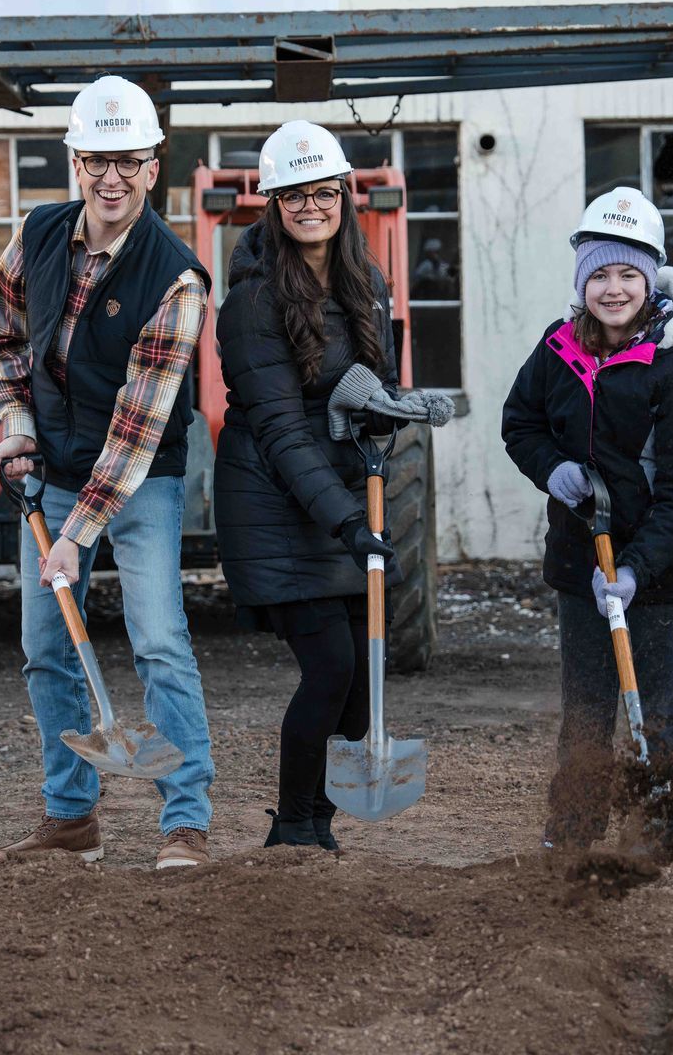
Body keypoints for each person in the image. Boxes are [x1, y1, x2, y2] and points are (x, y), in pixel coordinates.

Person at [0, 74, 217, 870]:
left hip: (140, 477)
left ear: (155, 166)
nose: (110, 178)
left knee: (157, 642)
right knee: (46, 646)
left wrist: (76, 534)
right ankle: (72, 815)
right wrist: (16, 427)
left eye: (128, 161)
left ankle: (185, 821)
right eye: (94, 161)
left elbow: (138, 424)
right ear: (74, 162)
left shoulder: (176, 277)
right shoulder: (38, 234)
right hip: (50, 467)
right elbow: (3, 338)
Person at [212, 120, 452, 850]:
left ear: (344, 194)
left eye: (324, 191)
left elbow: (367, 385)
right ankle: (295, 827)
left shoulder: (365, 281)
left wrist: (395, 409)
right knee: (332, 667)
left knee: (358, 682)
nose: (311, 205)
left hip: (344, 495)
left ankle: (317, 820)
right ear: (272, 201)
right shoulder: (252, 304)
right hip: (276, 504)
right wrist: (349, 523)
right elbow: (284, 432)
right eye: (294, 194)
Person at [501, 188, 673, 849]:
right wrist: (551, 469)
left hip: (666, 571)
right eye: (599, 273)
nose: (614, 287)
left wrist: (633, 570)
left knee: (664, 713)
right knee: (587, 712)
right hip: (580, 563)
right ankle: (572, 832)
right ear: (581, 280)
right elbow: (521, 423)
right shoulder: (556, 349)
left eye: (628, 273)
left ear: (651, 280)